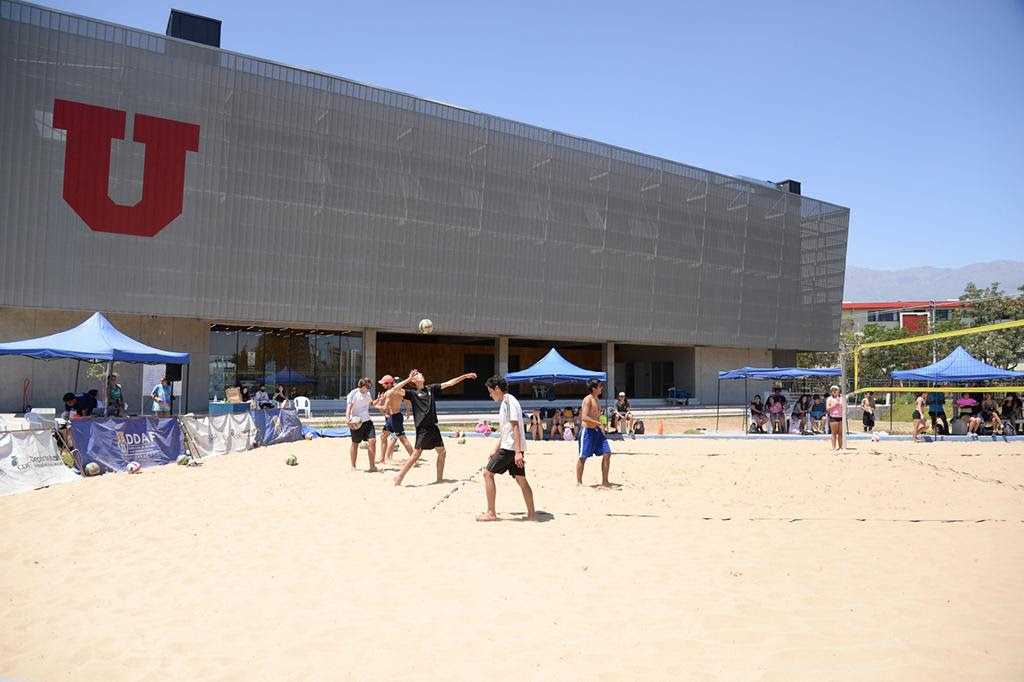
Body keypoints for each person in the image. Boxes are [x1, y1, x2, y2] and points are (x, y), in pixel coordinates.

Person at [393, 370, 477, 486]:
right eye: (417, 375)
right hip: (423, 427)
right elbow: (394, 390)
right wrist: (408, 379)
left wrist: (464, 376)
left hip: (433, 426)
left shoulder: (430, 388)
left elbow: (449, 383)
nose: (421, 374)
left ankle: (439, 479)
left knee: (442, 452)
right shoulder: (412, 393)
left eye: (420, 373)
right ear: (413, 380)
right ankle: (399, 477)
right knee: (416, 454)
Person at [476, 376, 536, 522]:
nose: (490, 395)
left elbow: (515, 427)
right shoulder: (507, 402)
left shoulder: (508, 402)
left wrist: (517, 452)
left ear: (497, 388)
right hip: (510, 446)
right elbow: (506, 430)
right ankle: (532, 515)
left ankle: (491, 512)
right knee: (521, 480)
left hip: (511, 448)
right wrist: (495, 449)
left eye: (491, 391)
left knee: (487, 474)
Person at [577, 378, 613, 487]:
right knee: (583, 457)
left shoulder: (597, 399)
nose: (602, 388)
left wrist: (602, 425)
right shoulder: (587, 400)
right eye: (600, 386)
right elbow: (584, 417)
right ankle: (579, 482)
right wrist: (598, 423)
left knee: (607, 453)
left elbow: (597, 415)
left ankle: (605, 481)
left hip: (597, 431)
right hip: (587, 431)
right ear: (594, 388)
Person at [375, 373, 416, 463]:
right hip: (393, 417)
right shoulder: (400, 391)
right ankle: (383, 458)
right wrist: (408, 411)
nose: (382, 385)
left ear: (389, 383)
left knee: (402, 438)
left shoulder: (389, 393)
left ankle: (414, 459)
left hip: (395, 417)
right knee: (383, 436)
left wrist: (375, 405)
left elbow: (384, 408)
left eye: (384, 383)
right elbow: (408, 400)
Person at [346, 377, 382, 472]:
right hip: (356, 422)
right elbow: (348, 408)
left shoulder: (368, 394)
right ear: (362, 386)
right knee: (355, 444)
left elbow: (371, 404)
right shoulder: (353, 394)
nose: (369, 388)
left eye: (370, 386)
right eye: (368, 386)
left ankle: (372, 466)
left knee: (373, 441)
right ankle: (353, 466)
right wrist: (347, 421)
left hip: (367, 421)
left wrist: (378, 400)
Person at [825, 385, 843, 451]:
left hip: (841, 417)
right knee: (834, 433)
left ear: (838, 391)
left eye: (835, 390)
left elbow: (845, 407)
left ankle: (840, 447)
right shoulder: (829, 399)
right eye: (833, 390)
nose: (834, 391)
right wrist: (835, 405)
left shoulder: (842, 398)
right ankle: (834, 447)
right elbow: (827, 408)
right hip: (834, 417)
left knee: (840, 433)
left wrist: (840, 404)